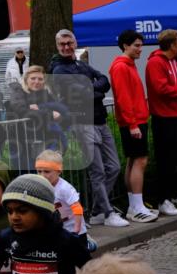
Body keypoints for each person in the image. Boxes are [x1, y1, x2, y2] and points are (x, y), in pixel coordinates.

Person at [47, 29, 120, 227]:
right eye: (62, 44)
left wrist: (91, 89)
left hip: (100, 120)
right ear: (57, 46)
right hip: (82, 123)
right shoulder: (59, 70)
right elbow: (79, 94)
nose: (66, 47)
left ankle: (97, 210)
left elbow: (105, 81)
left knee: (114, 167)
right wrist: (94, 90)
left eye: (69, 43)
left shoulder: (81, 64)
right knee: (97, 171)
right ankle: (108, 212)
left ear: (75, 43)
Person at [146, 29, 177, 216]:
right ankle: (163, 199)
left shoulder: (172, 61)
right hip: (164, 117)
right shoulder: (156, 62)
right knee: (166, 159)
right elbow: (161, 88)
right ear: (172, 44)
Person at [109, 29, 152, 225]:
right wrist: (133, 123)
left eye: (140, 45)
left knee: (134, 160)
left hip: (135, 120)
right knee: (139, 161)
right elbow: (123, 98)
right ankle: (136, 205)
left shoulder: (128, 65)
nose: (139, 49)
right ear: (125, 45)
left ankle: (135, 204)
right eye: (136, 45)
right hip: (133, 121)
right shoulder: (121, 67)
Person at [34, 149, 87, 243]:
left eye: (47, 171)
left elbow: (77, 208)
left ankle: (89, 244)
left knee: (78, 255)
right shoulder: (40, 186)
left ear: (58, 171)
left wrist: (77, 230)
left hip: (73, 230)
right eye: (39, 171)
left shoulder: (65, 188)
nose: (42, 175)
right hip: (57, 230)